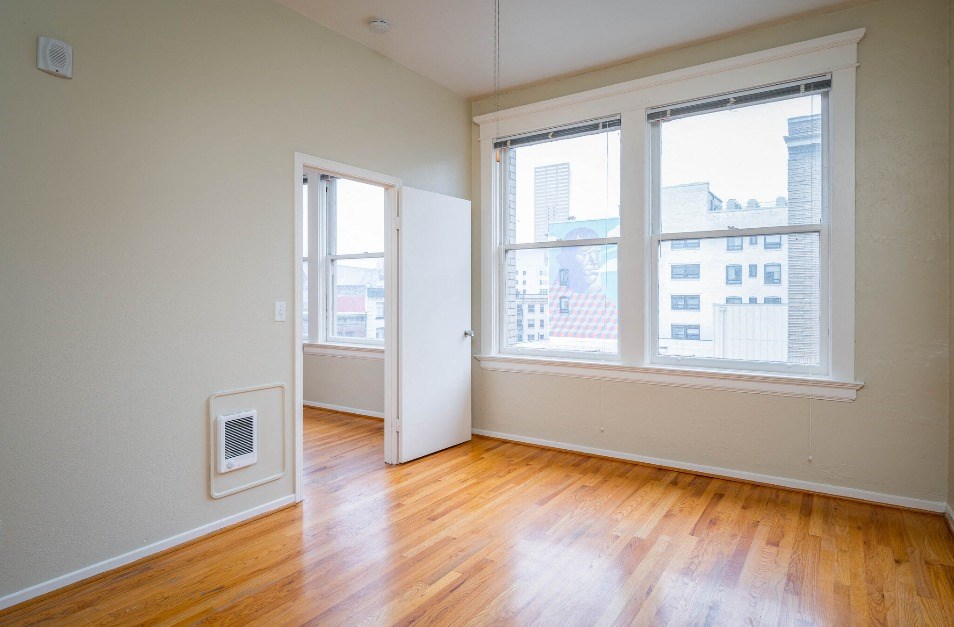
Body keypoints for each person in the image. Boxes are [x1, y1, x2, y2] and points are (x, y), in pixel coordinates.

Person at [549, 227, 618, 343]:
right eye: (584, 254)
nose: (594, 260)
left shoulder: (610, 310)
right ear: (568, 259)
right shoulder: (555, 300)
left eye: (597, 253)